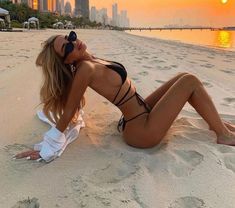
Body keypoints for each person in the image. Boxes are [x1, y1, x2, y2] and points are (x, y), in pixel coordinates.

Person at [15, 31, 235, 162]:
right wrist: (48, 146)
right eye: (68, 46)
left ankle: (216, 124)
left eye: (71, 36)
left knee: (183, 76)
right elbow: (70, 109)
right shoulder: (85, 70)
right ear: (67, 61)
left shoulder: (90, 60)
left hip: (139, 114)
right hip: (141, 131)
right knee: (190, 82)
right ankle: (222, 134)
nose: (74, 41)